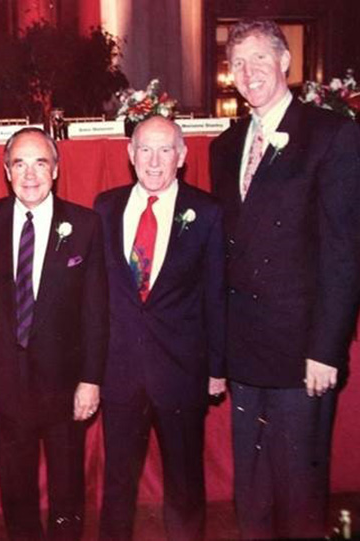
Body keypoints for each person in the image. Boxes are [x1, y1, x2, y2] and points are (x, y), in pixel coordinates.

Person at [210, 19, 360, 539]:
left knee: (299, 495)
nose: (249, 71)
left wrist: (326, 348)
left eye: (260, 58)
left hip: (301, 352)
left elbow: (344, 252)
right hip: (245, 351)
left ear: (285, 63)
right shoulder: (225, 145)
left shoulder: (330, 134)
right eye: (238, 63)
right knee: (252, 493)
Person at [0, 127, 108, 540]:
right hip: (5, 384)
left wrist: (91, 380)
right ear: (6, 170)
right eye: (19, 163)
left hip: (64, 387)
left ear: (56, 169)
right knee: (16, 492)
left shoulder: (84, 224)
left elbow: (96, 311)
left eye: (40, 163)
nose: (30, 174)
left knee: (67, 489)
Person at [94, 116, 225, 541]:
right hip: (120, 374)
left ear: (182, 156)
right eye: (144, 150)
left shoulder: (205, 212)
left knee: (185, 486)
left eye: (165, 149)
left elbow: (215, 295)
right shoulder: (105, 207)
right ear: (130, 155)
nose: (154, 161)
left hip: (181, 373)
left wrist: (216, 368)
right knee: (117, 487)